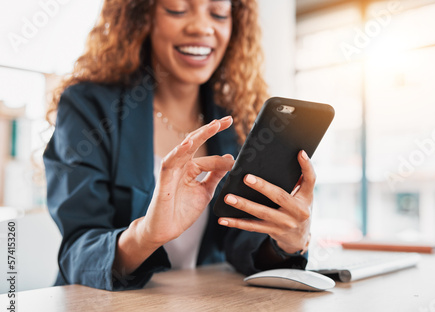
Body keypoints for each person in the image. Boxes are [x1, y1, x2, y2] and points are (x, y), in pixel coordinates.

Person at [43, 0, 315, 291]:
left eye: (219, 13)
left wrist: (288, 242)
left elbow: (243, 242)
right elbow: (78, 253)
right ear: (142, 16)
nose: (201, 27)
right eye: (177, 8)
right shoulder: (88, 106)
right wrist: (145, 236)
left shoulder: (239, 118)